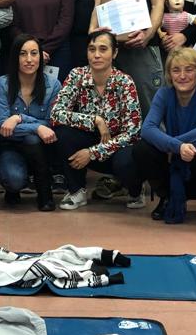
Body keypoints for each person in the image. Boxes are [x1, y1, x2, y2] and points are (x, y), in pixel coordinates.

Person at [50, 31, 143, 210]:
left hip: (117, 146)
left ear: (114, 53)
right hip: (89, 137)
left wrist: (93, 152)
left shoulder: (125, 82)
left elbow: (133, 132)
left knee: (128, 160)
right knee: (63, 133)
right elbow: (56, 113)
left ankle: (134, 191)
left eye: (103, 49)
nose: (97, 55)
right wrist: (95, 120)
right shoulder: (77, 75)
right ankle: (77, 191)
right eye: (92, 49)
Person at [133, 48, 196, 225]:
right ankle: (166, 197)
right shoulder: (164, 94)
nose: (182, 76)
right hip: (176, 159)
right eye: (176, 70)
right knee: (142, 148)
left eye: (189, 70)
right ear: (169, 74)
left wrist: (175, 145)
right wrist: (177, 146)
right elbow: (147, 129)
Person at [0, 34, 62, 210]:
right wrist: (37, 126)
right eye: (23, 54)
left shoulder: (53, 85)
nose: (29, 59)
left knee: (33, 140)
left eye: (34, 53)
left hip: (43, 148)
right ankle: (12, 186)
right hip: (11, 145)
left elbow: (52, 123)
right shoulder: (2, 84)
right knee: (14, 180)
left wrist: (18, 118)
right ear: (15, 57)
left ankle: (44, 191)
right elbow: (2, 126)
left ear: (41, 56)